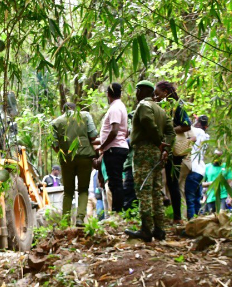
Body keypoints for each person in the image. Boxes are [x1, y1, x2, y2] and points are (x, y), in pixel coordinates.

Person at [126, 80, 174, 241]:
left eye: (137, 90)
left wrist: (158, 141)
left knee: (143, 188)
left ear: (141, 91)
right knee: (155, 189)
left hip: (144, 150)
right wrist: (165, 149)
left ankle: (146, 229)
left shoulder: (143, 106)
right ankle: (159, 229)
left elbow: (147, 121)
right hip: (156, 152)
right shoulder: (161, 110)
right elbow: (171, 132)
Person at [51, 103, 97, 226]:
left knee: (68, 191)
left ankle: (65, 222)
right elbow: (93, 135)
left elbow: (55, 145)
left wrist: (64, 154)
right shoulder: (85, 116)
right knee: (83, 190)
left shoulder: (56, 122)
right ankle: (80, 218)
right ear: (75, 109)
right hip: (85, 158)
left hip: (66, 160)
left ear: (63, 110)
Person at [154, 81, 191, 224]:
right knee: (167, 181)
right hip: (165, 147)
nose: (156, 97)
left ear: (165, 92)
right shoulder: (161, 107)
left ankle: (177, 217)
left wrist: (168, 131)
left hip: (173, 150)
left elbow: (186, 125)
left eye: (157, 94)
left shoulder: (177, 106)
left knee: (172, 181)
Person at [96, 83, 130, 213]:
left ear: (108, 94)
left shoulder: (115, 108)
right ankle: (117, 211)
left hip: (114, 149)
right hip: (116, 148)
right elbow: (125, 131)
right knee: (114, 182)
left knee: (115, 183)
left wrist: (103, 146)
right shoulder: (120, 106)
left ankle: (117, 212)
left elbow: (115, 130)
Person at [184, 115, 209, 219]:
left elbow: (185, 126)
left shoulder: (196, 131)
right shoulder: (206, 136)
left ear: (198, 123)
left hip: (193, 169)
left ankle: (191, 222)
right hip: (200, 170)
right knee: (196, 198)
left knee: (189, 199)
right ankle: (196, 219)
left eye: (196, 120)